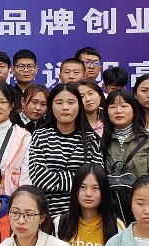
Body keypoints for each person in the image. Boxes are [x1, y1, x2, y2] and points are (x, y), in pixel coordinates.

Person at [27, 83, 103, 217]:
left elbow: (97, 179)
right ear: (51, 106)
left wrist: (56, 177)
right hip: (47, 216)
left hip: (82, 216)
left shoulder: (91, 139)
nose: (65, 107)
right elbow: (40, 179)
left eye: (71, 102)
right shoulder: (40, 136)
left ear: (79, 106)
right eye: (59, 103)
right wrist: (79, 179)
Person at [102, 90, 149, 221]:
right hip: (109, 211)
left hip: (144, 210)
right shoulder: (100, 143)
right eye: (112, 107)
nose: (118, 111)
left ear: (134, 111)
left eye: (124, 106)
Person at [55, 164, 122, 246]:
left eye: (95, 188)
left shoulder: (116, 226)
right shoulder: (60, 223)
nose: (88, 193)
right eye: (82, 187)